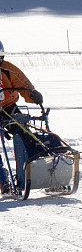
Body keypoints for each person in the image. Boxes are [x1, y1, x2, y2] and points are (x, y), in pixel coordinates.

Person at [0, 41, 44, 194]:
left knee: (23, 136)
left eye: (0, 57)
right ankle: (3, 182)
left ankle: (30, 174)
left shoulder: (7, 68)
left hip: (8, 106)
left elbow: (23, 83)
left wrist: (32, 94)